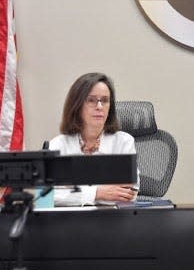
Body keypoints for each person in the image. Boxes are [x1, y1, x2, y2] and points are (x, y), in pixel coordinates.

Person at [49, 72, 139, 206]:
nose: (99, 106)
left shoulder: (124, 142)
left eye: (104, 100)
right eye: (91, 100)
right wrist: (98, 193)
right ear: (77, 105)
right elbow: (49, 196)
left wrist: (73, 193)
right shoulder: (58, 145)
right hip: (70, 221)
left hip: (112, 219)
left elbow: (128, 195)